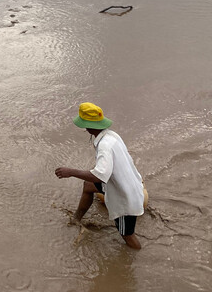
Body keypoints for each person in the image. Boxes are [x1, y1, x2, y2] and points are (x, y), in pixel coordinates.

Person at [54, 102, 144, 249]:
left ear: (88, 127)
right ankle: (77, 218)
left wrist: (70, 172)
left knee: (127, 235)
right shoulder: (111, 135)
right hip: (130, 184)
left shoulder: (104, 146)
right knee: (88, 186)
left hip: (125, 197)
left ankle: (135, 259)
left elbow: (99, 176)